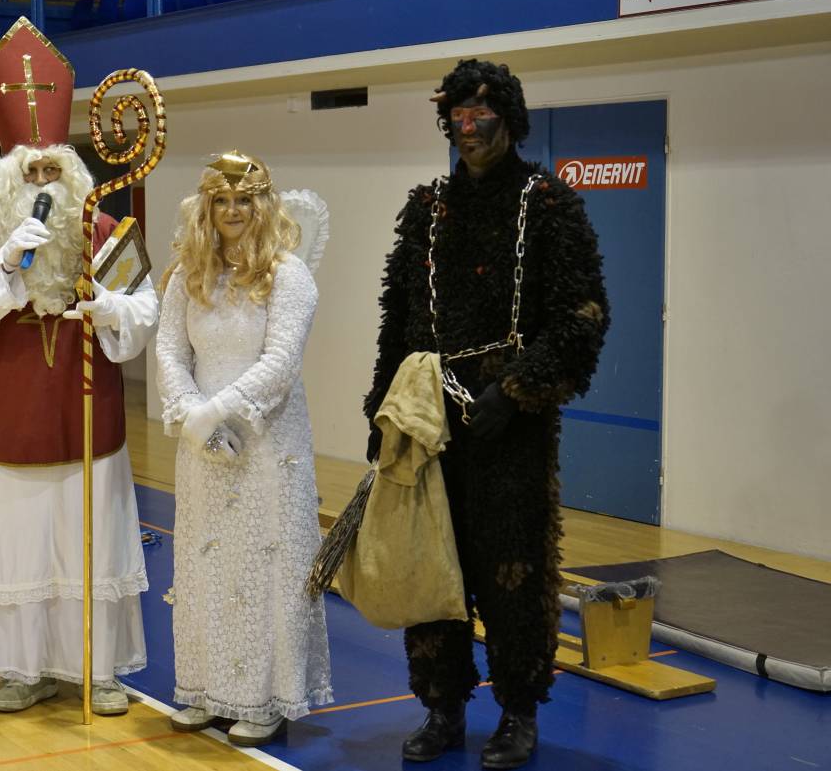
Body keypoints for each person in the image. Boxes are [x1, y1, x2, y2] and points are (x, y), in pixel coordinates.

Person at [363, 60, 608, 768]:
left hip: (511, 431)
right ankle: (442, 705)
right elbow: (397, 320)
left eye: (482, 115)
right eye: (458, 117)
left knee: (514, 572)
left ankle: (518, 710)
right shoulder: (426, 210)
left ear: (512, 119)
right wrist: (381, 410)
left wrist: (518, 390)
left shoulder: (549, 206)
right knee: (430, 566)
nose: (468, 129)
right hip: (426, 421)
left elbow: (583, 317)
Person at [0, 18, 159, 717]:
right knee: (23, 552)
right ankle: (25, 668)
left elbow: (147, 312)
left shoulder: (106, 232)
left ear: (73, 177)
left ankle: (99, 670)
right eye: (30, 172)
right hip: (16, 424)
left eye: (52, 171)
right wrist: (7, 267)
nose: (43, 181)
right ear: (10, 183)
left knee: (93, 547)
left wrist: (109, 309)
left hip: (90, 421)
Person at [156, 152, 333, 747]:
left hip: (267, 446)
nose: (232, 211)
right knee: (205, 563)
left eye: (243, 200)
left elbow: (281, 361)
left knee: (264, 567)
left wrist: (217, 411)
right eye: (221, 201)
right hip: (202, 448)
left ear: (262, 206)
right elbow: (170, 351)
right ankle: (207, 690)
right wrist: (193, 418)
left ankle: (265, 698)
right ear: (206, 208)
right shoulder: (188, 275)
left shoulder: (289, 276)